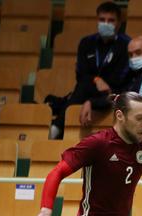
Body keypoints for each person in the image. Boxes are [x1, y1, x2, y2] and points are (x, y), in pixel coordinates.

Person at [49, 1, 131, 138]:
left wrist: (99, 87)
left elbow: (122, 76)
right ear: (97, 21)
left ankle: (57, 127)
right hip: (89, 89)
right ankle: (58, 129)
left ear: (119, 23)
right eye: (102, 20)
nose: (106, 24)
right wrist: (96, 79)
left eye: (111, 20)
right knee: (84, 85)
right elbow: (81, 74)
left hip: (114, 91)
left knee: (86, 88)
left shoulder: (126, 44)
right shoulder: (87, 42)